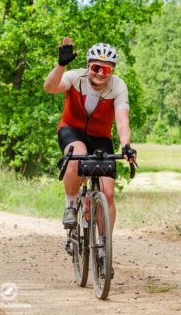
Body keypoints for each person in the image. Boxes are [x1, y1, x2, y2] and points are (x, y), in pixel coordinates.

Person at [43, 37, 136, 261]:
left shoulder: (118, 87)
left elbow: (122, 121)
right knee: (76, 155)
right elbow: (50, 87)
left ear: (112, 70)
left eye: (106, 69)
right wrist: (61, 65)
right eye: (96, 67)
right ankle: (71, 204)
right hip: (71, 130)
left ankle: (104, 246)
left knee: (109, 193)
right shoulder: (75, 77)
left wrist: (126, 146)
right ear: (88, 66)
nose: (100, 73)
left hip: (101, 137)